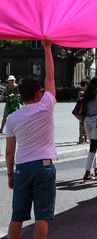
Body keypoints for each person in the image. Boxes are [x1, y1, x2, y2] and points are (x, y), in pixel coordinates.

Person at [4, 39, 56, 239]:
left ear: (20, 95)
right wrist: (47, 48)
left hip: (22, 168)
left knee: (17, 216)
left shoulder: (12, 118)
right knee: (41, 216)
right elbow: (50, 77)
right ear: (38, 93)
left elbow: (9, 151)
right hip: (43, 166)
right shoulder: (46, 107)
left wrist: (10, 174)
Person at [81, 76, 97, 181]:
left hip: (86, 121)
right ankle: (87, 172)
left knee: (92, 146)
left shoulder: (86, 93)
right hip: (96, 121)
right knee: (93, 148)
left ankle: (96, 168)